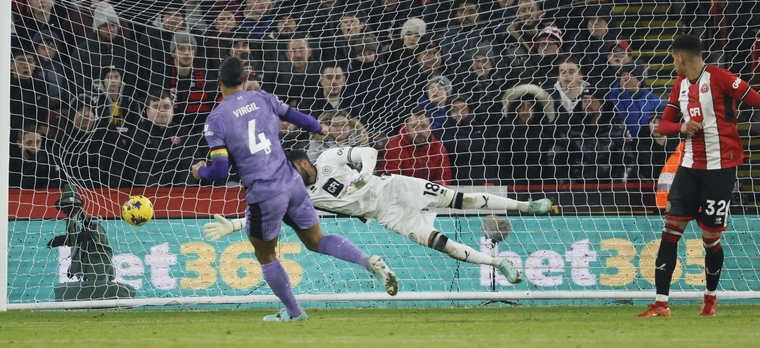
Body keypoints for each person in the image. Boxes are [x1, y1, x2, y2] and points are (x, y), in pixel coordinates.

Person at [191, 56, 398, 322]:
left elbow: (219, 172)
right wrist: (319, 127)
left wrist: (199, 172)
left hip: (264, 193)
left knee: (265, 254)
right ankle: (365, 260)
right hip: (292, 181)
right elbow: (297, 117)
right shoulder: (263, 97)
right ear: (245, 79)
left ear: (219, 82)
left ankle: (294, 312)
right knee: (316, 239)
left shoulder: (216, 120)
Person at [204, 146, 553, 285]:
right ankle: (498, 265)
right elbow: (274, 218)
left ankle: (526, 206)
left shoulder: (328, 158)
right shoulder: (301, 196)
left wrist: (363, 174)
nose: (293, 177)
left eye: (294, 170)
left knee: (458, 199)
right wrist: (235, 223)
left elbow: (368, 151)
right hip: (385, 214)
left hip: (394, 188)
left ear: (305, 161)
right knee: (440, 244)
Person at [638, 35, 760, 318]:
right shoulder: (679, 86)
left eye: (672, 58)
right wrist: (681, 126)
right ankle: (661, 303)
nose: (672, 63)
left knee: (710, 237)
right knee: (670, 230)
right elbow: (663, 126)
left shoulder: (722, 78)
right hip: (688, 168)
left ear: (679, 58)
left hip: (721, 169)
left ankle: (710, 300)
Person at [382, 107, 453, 186]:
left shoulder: (439, 148)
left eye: (424, 126)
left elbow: (444, 179)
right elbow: (392, 181)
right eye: (414, 127)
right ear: (407, 129)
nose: (419, 131)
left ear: (430, 128)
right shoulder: (395, 147)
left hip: (430, 194)